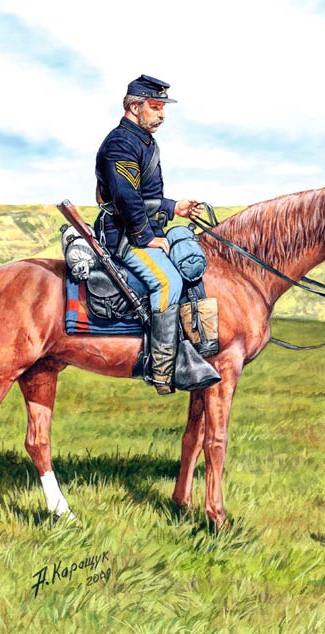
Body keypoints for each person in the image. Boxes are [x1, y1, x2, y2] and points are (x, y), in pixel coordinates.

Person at [95, 74, 203, 394]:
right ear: (134, 107)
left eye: (162, 107)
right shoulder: (120, 143)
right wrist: (145, 237)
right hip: (125, 237)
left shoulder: (142, 140)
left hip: (142, 230)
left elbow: (145, 196)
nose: (162, 114)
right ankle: (162, 369)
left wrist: (174, 207)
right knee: (168, 282)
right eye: (156, 107)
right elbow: (126, 197)